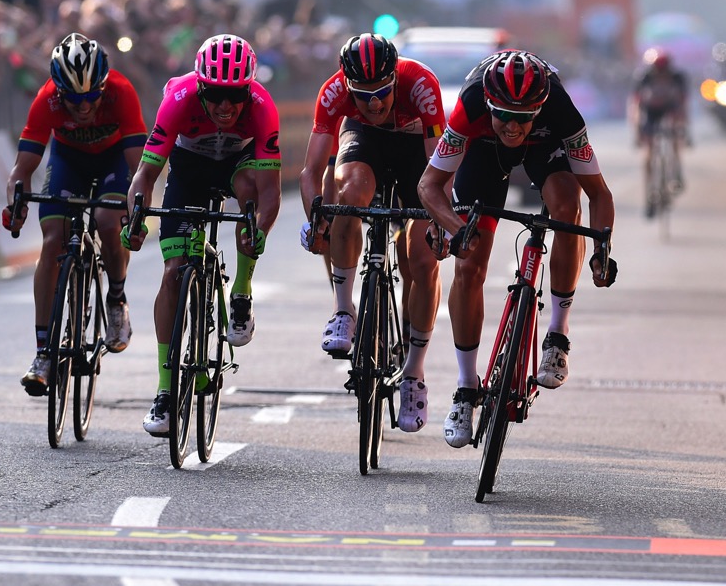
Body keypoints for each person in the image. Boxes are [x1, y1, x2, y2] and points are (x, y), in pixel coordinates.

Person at [417, 49, 617, 449]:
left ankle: (557, 336)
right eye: (504, 115)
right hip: (482, 151)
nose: (512, 126)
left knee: (567, 207)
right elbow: (429, 185)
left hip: (546, 146)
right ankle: (466, 388)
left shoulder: (560, 109)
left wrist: (601, 249)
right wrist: (456, 229)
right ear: (489, 104)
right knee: (468, 266)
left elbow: (599, 193)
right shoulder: (471, 105)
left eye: (523, 117)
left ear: (538, 109)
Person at [123, 34, 281, 436]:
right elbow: (145, 174)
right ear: (200, 87)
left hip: (238, 164)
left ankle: (241, 292)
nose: (226, 106)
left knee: (248, 192)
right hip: (190, 168)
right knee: (172, 272)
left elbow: (270, 192)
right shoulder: (178, 98)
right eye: (215, 95)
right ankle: (165, 390)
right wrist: (135, 218)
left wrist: (259, 230)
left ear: (248, 89)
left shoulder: (262, 106)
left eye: (235, 96)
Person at [299, 32, 445, 433]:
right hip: (365, 140)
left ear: (395, 78)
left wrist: (441, 223)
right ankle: (343, 310)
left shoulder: (421, 83)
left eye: (382, 91)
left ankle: (414, 373)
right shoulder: (333, 92)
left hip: (416, 149)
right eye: (363, 95)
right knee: (349, 197)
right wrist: (316, 219)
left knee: (421, 258)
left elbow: (438, 169)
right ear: (348, 85)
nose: (375, 102)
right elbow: (312, 171)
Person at [3, 33, 146, 396]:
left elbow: (140, 168)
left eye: (91, 97)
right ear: (59, 91)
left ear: (103, 86)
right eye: (74, 99)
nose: (83, 107)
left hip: (114, 160)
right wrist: (15, 205)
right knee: (53, 241)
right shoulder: (46, 100)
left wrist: (138, 213)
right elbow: (21, 170)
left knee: (108, 222)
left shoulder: (121, 92)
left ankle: (116, 300)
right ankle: (43, 353)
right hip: (68, 162)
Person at [628, 47, 688, 216]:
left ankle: (677, 172)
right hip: (651, 111)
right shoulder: (644, 77)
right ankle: (649, 194)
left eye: (664, 71)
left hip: (670, 108)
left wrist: (683, 128)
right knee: (648, 153)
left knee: (675, 135)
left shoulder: (677, 77)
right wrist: (637, 130)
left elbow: (683, 104)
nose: (661, 74)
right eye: (658, 71)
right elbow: (636, 105)